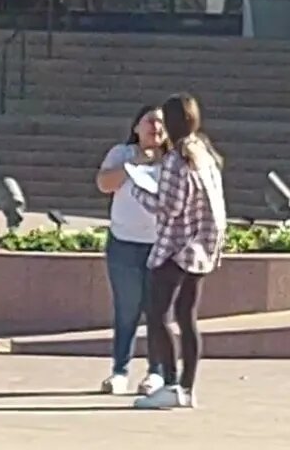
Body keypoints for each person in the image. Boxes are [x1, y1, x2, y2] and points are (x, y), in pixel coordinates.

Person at [132, 93, 227, 410]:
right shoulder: (204, 152)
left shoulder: (176, 159)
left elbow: (168, 208)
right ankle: (187, 387)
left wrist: (137, 190)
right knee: (187, 317)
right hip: (202, 245)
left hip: (177, 245)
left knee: (158, 315)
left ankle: (171, 383)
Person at [94, 105, 169, 396]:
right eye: (149, 121)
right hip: (123, 243)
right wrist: (133, 164)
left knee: (157, 311)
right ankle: (120, 371)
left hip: (160, 244)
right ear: (136, 127)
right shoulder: (120, 154)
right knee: (127, 310)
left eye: (161, 123)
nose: (155, 127)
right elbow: (103, 184)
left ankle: (156, 372)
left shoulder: (173, 161)